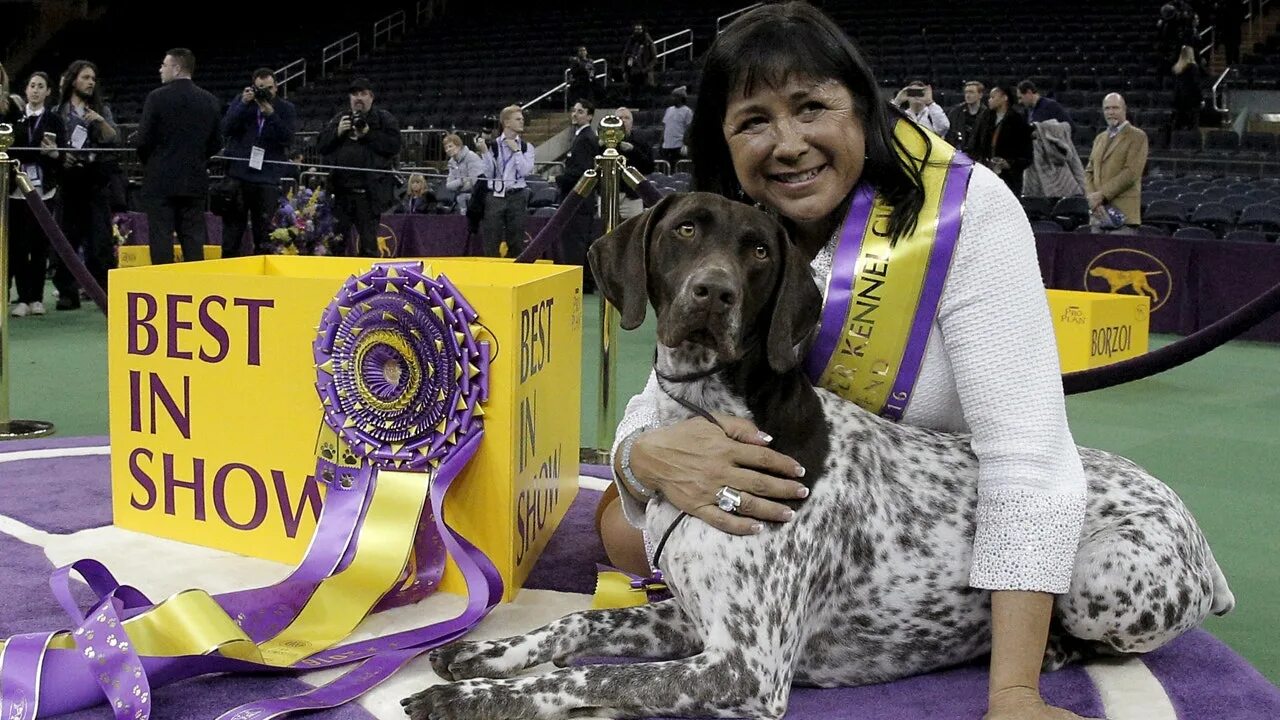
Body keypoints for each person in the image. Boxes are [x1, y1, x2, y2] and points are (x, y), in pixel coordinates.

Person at [597, 5, 1091, 720]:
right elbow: (661, 399)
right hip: (797, 525)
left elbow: (1029, 456)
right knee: (619, 526)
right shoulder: (731, 227)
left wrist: (1015, 691)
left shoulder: (964, 212)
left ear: (863, 109)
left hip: (930, 528)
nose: (788, 143)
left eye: (812, 107)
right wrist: (642, 460)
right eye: (752, 121)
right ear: (725, 142)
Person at [136, 48, 222, 265]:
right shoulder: (210, 100)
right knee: (194, 240)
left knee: (161, 239)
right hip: (194, 181)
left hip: (160, 181)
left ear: (176, 68)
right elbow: (216, 143)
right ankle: (195, 290)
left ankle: (163, 291)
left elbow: (143, 140)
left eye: (164, 65)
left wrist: (154, 163)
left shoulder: (156, 98)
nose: (160, 69)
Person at [53, 59, 119, 308]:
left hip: (95, 183)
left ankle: (105, 293)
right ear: (73, 80)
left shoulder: (101, 110)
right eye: (85, 77)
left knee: (100, 242)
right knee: (66, 240)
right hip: (68, 183)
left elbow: (114, 139)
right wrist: (61, 156)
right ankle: (67, 292)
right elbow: (47, 145)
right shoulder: (57, 113)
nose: (91, 82)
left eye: (93, 78)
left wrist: (99, 122)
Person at [316, 77, 401, 257]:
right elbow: (321, 146)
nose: (358, 98)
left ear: (371, 97)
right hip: (341, 194)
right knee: (335, 245)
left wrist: (368, 134)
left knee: (369, 248)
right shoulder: (340, 118)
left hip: (369, 197)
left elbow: (393, 146)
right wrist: (336, 133)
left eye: (363, 94)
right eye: (355, 94)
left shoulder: (384, 119)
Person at [220, 67, 297, 257]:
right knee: (231, 237)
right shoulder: (242, 102)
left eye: (269, 88)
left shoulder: (286, 109)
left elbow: (288, 138)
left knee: (264, 237)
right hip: (239, 177)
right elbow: (225, 128)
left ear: (276, 87)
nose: (265, 92)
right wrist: (243, 105)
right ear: (253, 87)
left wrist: (271, 115)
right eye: (260, 88)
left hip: (267, 179)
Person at [6, 72, 64, 318]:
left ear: (48, 91)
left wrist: (53, 155)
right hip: (16, 191)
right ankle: (22, 298)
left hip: (44, 191)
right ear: (26, 90)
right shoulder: (14, 118)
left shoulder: (54, 120)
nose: (36, 90)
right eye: (32, 86)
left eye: (41, 86)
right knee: (18, 246)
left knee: (39, 246)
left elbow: (62, 155)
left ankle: (37, 298)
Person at [477, 104, 536, 257]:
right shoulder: (493, 144)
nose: (522, 122)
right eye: (518, 119)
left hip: (517, 195)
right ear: (506, 122)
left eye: (522, 119)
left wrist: (516, 151)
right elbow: (489, 173)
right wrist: (485, 153)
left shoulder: (526, 147)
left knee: (516, 240)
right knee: (491, 239)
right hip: (495, 196)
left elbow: (524, 171)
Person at [1085, 93, 1149, 231]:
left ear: (1124, 110)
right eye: (1107, 109)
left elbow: (1131, 173)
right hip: (1098, 214)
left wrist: (1101, 195)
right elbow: (1089, 172)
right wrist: (1092, 199)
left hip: (1123, 216)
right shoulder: (1099, 138)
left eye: (1115, 108)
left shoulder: (1137, 136)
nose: (1110, 112)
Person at [557, 99, 599, 289]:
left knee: (575, 242)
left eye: (580, 111)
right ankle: (584, 281)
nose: (575, 114)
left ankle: (577, 282)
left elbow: (581, 171)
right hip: (582, 201)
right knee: (580, 241)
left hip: (578, 200)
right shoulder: (581, 137)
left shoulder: (585, 138)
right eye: (574, 111)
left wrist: (558, 180)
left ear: (590, 116)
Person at [973, 84, 1033, 197]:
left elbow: (1027, 155)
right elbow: (975, 143)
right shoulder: (985, 117)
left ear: (1004, 98)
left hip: (1010, 179)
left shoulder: (1017, 120)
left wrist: (1009, 163)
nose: (989, 100)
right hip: (986, 175)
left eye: (993, 97)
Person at [615, 106, 655, 220]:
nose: (623, 120)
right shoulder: (603, 143)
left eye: (626, 118)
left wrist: (633, 150)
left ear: (631, 123)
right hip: (609, 196)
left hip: (632, 197)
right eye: (619, 118)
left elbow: (649, 167)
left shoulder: (640, 142)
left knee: (633, 232)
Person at [945, 80, 989, 155]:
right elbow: (949, 134)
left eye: (971, 92)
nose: (967, 95)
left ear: (980, 95)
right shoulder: (955, 112)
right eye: (966, 92)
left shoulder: (987, 114)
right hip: (958, 154)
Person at [1171, 45, 1205, 131]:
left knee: (1181, 126)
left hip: (1180, 100)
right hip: (1192, 101)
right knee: (1193, 126)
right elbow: (1196, 85)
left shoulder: (1176, 68)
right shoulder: (1193, 68)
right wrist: (1201, 99)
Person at [622, 22, 657, 104]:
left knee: (645, 94)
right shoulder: (631, 41)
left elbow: (654, 58)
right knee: (633, 93)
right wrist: (625, 69)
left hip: (644, 71)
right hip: (632, 71)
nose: (638, 31)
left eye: (639, 29)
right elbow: (625, 55)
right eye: (636, 29)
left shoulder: (648, 41)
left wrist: (646, 69)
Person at [660, 86, 693, 170]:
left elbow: (689, 128)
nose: (672, 98)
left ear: (680, 98)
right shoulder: (669, 110)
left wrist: (686, 144)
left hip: (678, 146)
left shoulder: (687, 111)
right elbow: (665, 126)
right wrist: (661, 141)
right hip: (666, 146)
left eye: (675, 96)